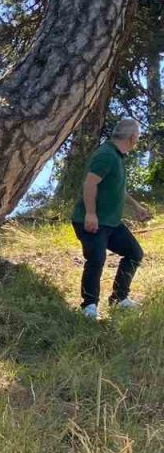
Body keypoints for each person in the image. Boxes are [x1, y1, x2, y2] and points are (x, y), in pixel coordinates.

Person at [71, 118, 150, 319]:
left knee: (134, 253)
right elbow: (90, 184)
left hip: (110, 222)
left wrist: (136, 207)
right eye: (138, 137)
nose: (137, 141)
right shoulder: (106, 155)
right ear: (132, 138)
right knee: (96, 259)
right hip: (92, 220)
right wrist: (90, 213)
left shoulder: (116, 156)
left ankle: (119, 298)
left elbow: (117, 188)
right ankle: (89, 306)